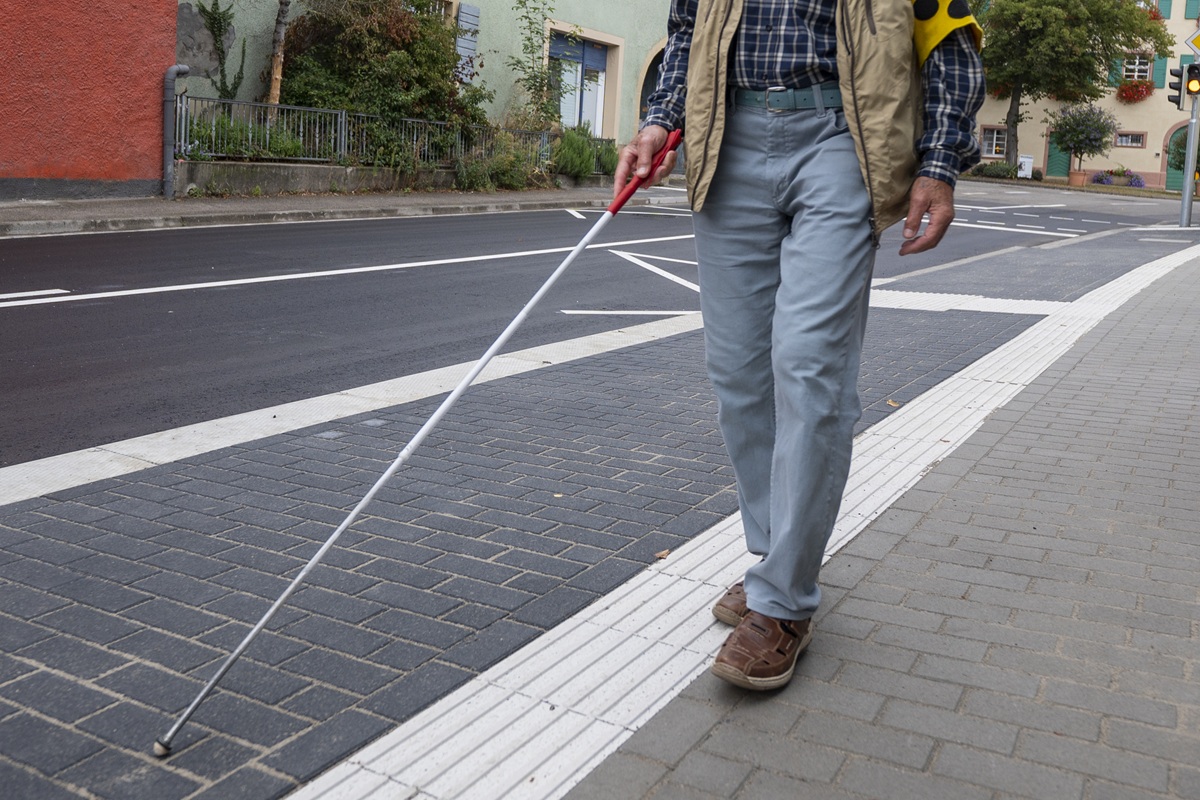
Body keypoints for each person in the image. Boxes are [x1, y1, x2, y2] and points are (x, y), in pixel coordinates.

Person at [614, 0, 984, 691]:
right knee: (738, 372)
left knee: (809, 365)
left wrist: (939, 163)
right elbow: (687, 34)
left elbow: (948, 47)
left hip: (842, 139)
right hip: (729, 138)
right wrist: (660, 122)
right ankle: (772, 563)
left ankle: (783, 603)